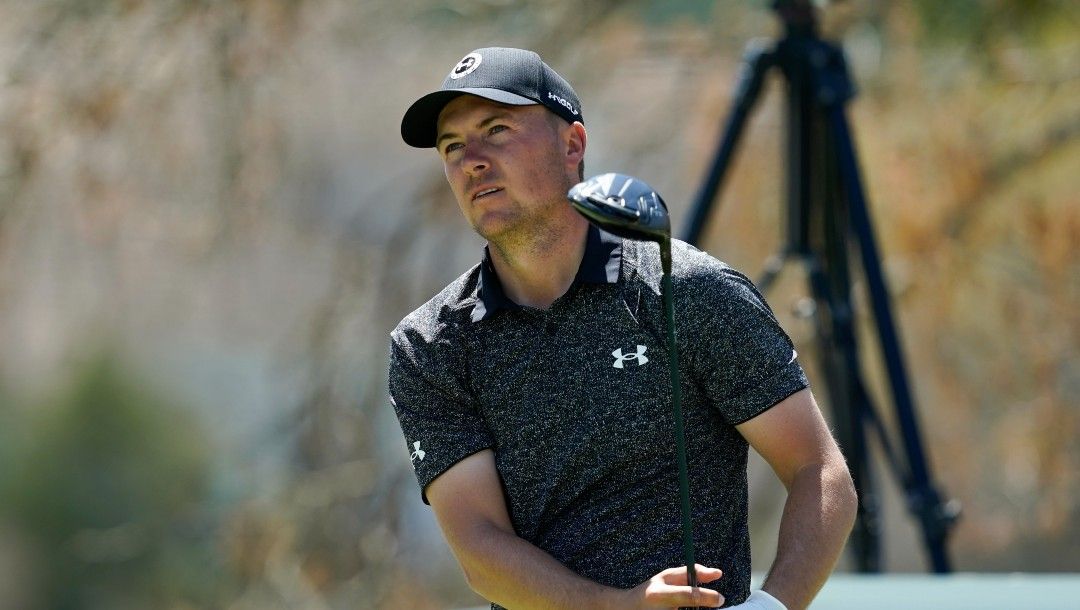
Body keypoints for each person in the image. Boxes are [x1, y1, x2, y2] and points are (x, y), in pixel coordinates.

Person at [389, 47, 856, 610]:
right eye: (453, 146)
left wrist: (774, 605)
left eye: (497, 129)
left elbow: (818, 470)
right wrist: (619, 606)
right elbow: (480, 548)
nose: (473, 160)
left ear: (573, 145)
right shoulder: (431, 346)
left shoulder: (688, 290)